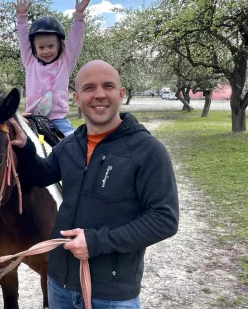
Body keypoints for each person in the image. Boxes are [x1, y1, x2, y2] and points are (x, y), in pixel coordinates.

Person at [9, 60, 179, 309]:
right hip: (59, 284)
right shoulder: (69, 145)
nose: (99, 94)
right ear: (76, 98)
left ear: (121, 94)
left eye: (108, 86)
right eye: (89, 88)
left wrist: (97, 242)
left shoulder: (148, 151)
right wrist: (25, 147)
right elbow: (42, 175)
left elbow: (164, 219)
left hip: (112, 295)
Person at [13, 0, 92, 136]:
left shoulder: (66, 62)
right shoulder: (30, 62)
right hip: (32, 117)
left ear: (59, 46)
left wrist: (79, 16)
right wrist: (22, 16)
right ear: (34, 49)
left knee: (72, 142)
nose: (46, 51)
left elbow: (74, 40)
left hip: (58, 119)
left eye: (51, 46)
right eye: (41, 47)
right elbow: (23, 39)